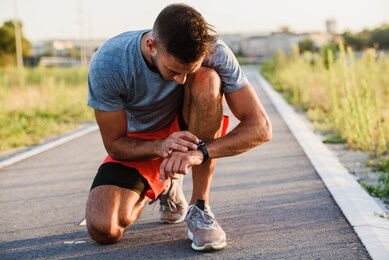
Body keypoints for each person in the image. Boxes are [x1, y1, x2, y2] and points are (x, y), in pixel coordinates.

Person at [85, 3, 272, 252]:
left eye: (187, 72)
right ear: (152, 45)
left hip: (189, 128)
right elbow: (115, 144)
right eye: (174, 70)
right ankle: (166, 185)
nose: (180, 80)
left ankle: (200, 206)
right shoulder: (109, 63)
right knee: (104, 229)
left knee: (207, 79)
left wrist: (198, 153)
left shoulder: (216, 52)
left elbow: (261, 127)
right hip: (141, 140)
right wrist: (161, 146)